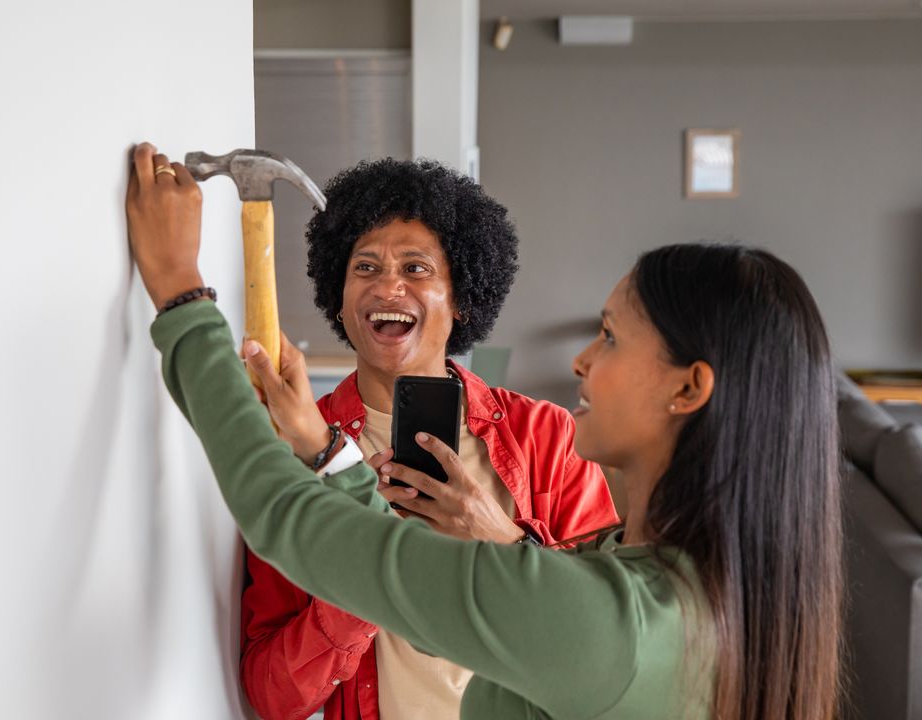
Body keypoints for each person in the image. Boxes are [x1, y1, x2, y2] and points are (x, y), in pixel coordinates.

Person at [126, 143, 843, 720]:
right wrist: (327, 451)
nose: (582, 359)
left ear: (689, 388)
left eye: (611, 337)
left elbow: (291, 517)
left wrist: (180, 294)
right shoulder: (694, 597)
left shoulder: (602, 621)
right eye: (367, 267)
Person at [239, 157, 618, 719]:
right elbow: (273, 694)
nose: (387, 285)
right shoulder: (292, 451)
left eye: (416, 269)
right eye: (364, 268)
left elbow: (606, 639)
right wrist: (368, 572)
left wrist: (498, 538)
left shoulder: (547, 437)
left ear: (461, 297)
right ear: (339, 300)